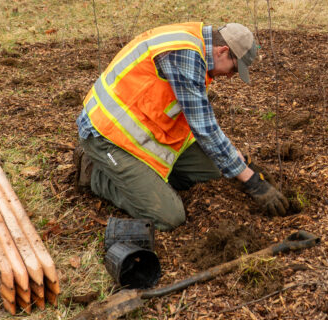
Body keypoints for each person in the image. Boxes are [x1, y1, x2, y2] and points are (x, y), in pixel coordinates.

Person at [74, 22, 288, 231]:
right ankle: (95, 172)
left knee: (214, 172)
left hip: (146, 133)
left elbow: (195, 116)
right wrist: (252, 181)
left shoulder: (199, 48)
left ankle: (146, 181)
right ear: (223, 51)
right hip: (106, 136)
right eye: (234, 69)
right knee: (170, 216)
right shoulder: (184, 55)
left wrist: (233, 156)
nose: (231, 76)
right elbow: (205, 129)